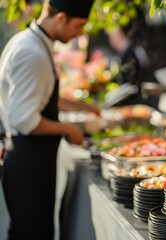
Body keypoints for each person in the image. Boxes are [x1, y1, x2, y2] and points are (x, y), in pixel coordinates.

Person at [0, 0, 96, 239]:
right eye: (79, 25)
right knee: (32, 233)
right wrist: (69, 129)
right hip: (28, 163)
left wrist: (83, 106)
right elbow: (25, 119)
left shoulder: (29, 41)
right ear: (61, 17)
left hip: (29, 159)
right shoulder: (32, 52)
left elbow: (39, 96)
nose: (80, 33)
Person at [108, 22, 150, 106]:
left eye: (112, 36)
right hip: (123, 99)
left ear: (121, 34)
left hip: (136, 100)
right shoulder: (120, 53)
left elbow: (145, 69)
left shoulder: (136, 50)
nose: (110, 40)